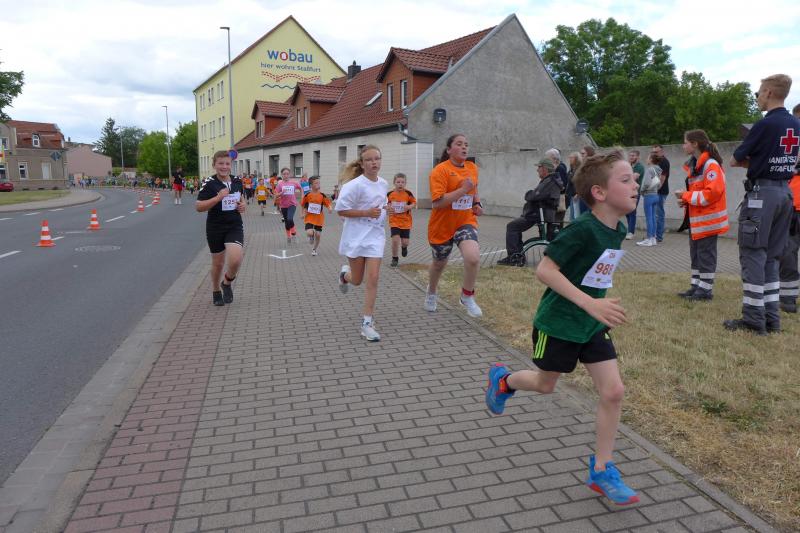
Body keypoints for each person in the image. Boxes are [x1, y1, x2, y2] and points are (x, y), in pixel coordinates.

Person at [485, 150, 640, 506]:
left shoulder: (618, 228)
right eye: (626, 179)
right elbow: (545, 270)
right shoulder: (581, 229)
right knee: (545, 385)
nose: (636, 185)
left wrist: (598, 304)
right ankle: (504, 380)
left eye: (634, 178)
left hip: (591, 325)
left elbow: (593, 272)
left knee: (613, 391)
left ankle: (602, 469)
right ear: (599, 192)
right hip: (558, 324)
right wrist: (590, 302)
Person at [725, 74, 800, 335]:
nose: (757, 97)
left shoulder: (764, 125)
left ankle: (753, 319)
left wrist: (758, 163)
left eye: (758, 92)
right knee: (772, 257)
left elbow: (735, 159)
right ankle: (772, 319)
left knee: (753, 254)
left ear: (768, 92)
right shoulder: (796, 124)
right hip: (785, 195)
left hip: (761, 196)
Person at [425, 134, 484, 317]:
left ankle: (467, 296)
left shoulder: (472, 168)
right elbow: (438, 202)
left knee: (473, 258)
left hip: (465, 222)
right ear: (449, 149)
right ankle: (431, 292)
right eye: (459, 144)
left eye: (466, 144)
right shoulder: (440, 171)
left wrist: (477, 203)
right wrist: (462, 190)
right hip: (442, 226)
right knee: (439, 264)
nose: (464, 147)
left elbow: (474, 189)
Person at [335, 145, 389, 341]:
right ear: (362, 163)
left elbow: (380, 205)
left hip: (375, 236)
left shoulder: (383, 183)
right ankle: (344, 275)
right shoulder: (354, 186)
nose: (374, 162)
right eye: (369, 159)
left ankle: (367, 323)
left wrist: (386, 209)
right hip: (355, 237)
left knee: (373, 278)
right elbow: (341, 210)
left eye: (377, 158)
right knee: (357, 280)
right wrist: (366, 212)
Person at [671, 131, 729, 299]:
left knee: (706, 255)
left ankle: (705, 291)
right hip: (697, 220)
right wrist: (686, 200)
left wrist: (685, 196)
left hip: (708, 221)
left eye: (685, 142)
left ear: (695, 144)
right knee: (696, 255)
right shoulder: (697, 164)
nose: (683, 146)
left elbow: (711, 194)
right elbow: (699, 193)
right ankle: (696, 286)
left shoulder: (710, 165)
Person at [196, 151, 246, 306]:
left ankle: (227, 282)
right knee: (218, 263)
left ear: (231, 165)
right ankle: (216, 290)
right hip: (215, 227)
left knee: (236, 258)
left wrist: (243, 205)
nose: (224, 167)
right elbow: (199, 207)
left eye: (227, 164)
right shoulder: (209, 183)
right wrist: (218, 197)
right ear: (214, 165)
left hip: (234, 225)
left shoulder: (237, 181)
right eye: (221, 163)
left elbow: (241, 198)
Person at [497, 158, 562, 266]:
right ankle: (517, 255)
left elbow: (533, 196)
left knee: (512, 226)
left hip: (537, 215)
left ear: (545, 169)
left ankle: (514, 257)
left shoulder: (550, 181)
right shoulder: (550, 180)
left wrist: (529, 194)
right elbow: (535, 195)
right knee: (515, 226)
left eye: (539, 167)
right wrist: (531, 194)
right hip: (539, 214)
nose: (537, 170)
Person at [778, 103, 800, 313]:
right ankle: (788, 297)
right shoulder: (790, 143)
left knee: (788, 251)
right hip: (793, 206)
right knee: (788, 252)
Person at [387, 173, 416, 267]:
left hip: (405, 222)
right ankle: (394, 258)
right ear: (394, 183)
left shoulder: (408, 193)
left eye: (402, 182)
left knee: (405, 242)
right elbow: (385, 204)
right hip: (394, 221)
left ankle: (404, 247)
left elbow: (414, 203)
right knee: (395, 240)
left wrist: (409, 207)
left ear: (405, 183)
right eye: (398, 182)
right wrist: (388, 207)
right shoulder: (390, 194)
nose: (400, 184)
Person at [635, 153, 664, 247]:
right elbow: (659, 184)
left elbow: (647, 183)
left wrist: (642, 191)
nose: (646, 159)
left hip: (648, 196)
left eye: (648, 158)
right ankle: (653, 239)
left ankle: (648, 239)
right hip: (656, 195)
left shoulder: (650, 169)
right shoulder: (658, 170)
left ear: (651, 159)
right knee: (653, 217)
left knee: (649, 218)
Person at [301, 175, 333, 256]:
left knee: (318, 235)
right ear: (311, 185)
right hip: (309, 217)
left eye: (319, 183)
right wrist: (302, 213)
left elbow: (328, 203)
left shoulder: (322, 195)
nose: (318, 184)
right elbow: (303, 204)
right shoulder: (308, 195)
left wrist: (330, 208)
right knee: (309, 232)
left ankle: (314, 249)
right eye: (316, 183)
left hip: (319, 218)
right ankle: (311, 236)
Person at [274, 167, 303, 242]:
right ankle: (288, 236)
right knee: (287, 221)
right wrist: (281, 193)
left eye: (287, 174)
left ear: (289, 174)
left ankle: (293, 233)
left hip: (292, 204)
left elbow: (301, 188)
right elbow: (276, 195)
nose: (286, 175)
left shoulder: (294, 182)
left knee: (290, 219)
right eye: (284, 174)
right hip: (283, 205)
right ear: (282, 175)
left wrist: (302, 196)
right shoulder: (280, 184)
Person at [652, 144, 671, 242]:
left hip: (660, 192)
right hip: (656, 191)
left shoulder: (664, 162)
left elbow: (662, 179)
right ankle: (654, 235)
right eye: (653, 152)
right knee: (655, 214)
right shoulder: (657, 161)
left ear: (662, 151)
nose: (654, 154)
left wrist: (655, 190)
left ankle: (658, 236)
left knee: (659, 214)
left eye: (656, 152)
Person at [625, 150, 644, 239]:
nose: (631, 157)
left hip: (635, 192)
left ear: (637, 157)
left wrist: (625, 177)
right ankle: (630, 230)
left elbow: (633, 177)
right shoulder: (629, 166)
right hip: (626, 192)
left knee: (632, 211)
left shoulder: (639, 167)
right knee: (627, 212)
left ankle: (631, 232)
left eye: (633, 155)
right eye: (630, 155)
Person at [565, 152, 583, 221]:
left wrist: (578, 193)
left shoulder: (579, 169)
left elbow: (581, 182)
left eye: (571, 157)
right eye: (569, 157)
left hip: (576, 195)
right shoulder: (572, 169)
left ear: (576, 159)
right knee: (573, 215)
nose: (569, 159)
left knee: (576, 215)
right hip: (571, 194)